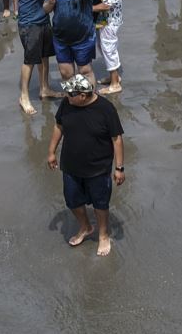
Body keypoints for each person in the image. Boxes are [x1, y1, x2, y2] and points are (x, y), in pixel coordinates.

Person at [46, 73, 124, 256]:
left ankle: (103, 234)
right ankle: (85, 227)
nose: (66, 97)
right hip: (71, 166)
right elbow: (59, 126)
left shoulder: (106, 109)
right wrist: (51, 152)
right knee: (72, 200)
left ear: (82, 95)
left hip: (98, 168)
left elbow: (117, 139)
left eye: (70, 94)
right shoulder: (67, 104)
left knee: (100, 204)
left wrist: (119, 168)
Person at [16, 0, 65, 115]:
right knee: (30, 60)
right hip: (31, 23)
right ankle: (24, 97)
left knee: (44, 56)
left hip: (42, 18)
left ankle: (45, 88)